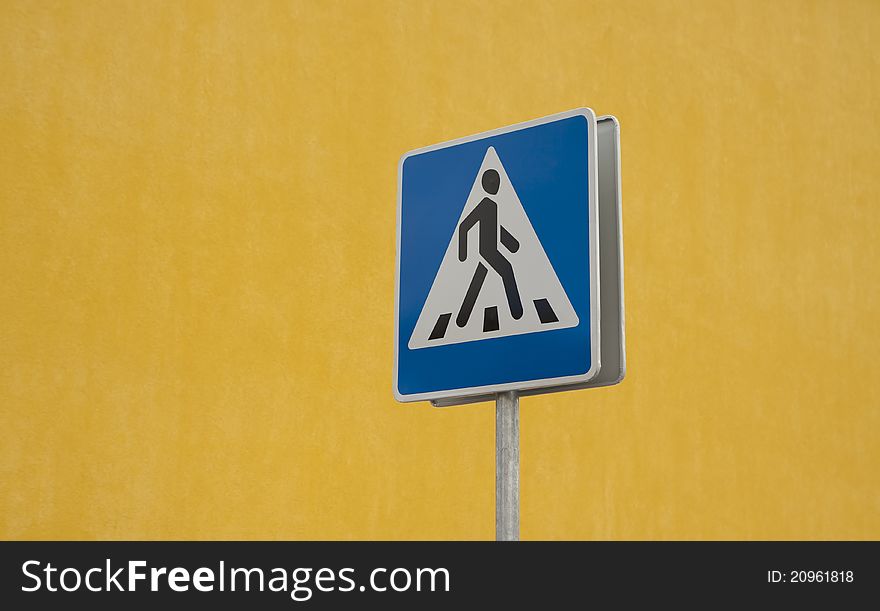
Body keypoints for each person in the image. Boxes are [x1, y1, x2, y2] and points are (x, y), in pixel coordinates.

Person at [456, 168, 523, 327]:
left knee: (477, 281)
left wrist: (511, 243)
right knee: (507, 270)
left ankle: (461, 319)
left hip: (489, 250)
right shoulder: (485, 204)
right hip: (486, 251)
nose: (497, 185)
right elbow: (464, 226)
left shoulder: (492, 205)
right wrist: (462, 253)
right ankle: (517, 312)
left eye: (497, 182)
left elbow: (494, 229)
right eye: (494, 182)